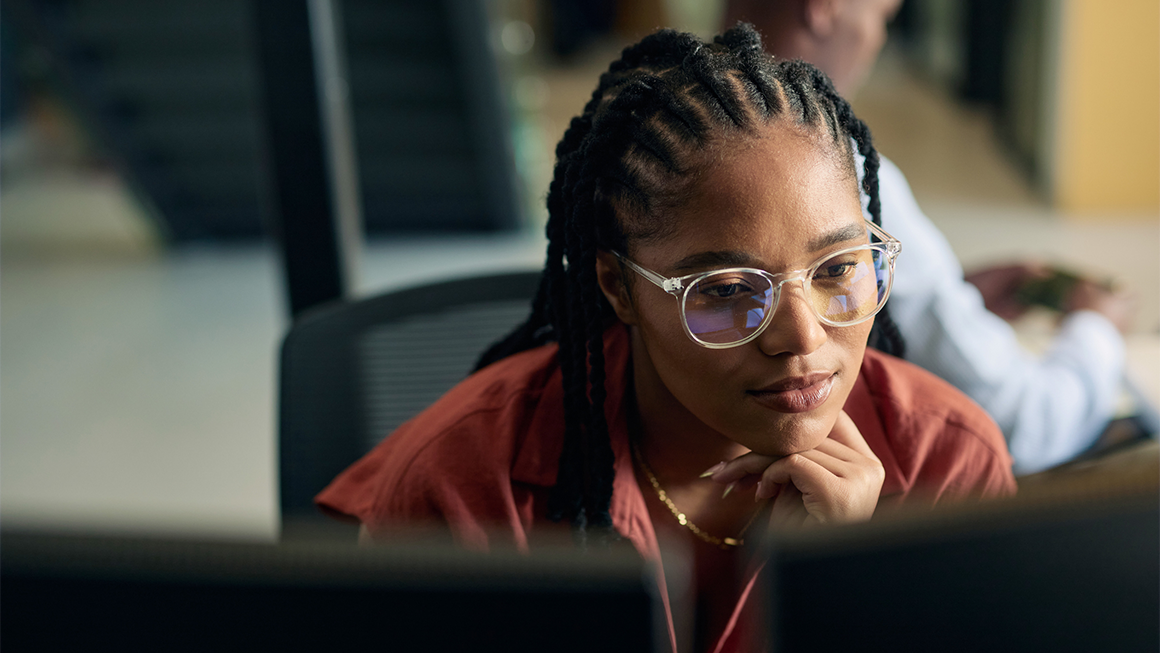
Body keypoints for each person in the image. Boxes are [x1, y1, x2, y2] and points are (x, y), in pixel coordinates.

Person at [317, 25, 1015, 653]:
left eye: (838, 269)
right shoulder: (464, 491)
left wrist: (848, 586)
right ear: (619, 288)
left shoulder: (947, 466)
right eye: (728, 290)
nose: (803, 338)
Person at [724, 0, 1135, 474]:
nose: (875, 41)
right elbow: (1022, 421)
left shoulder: (657, 136)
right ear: (826, 7)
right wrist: (1097, 330)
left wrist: (947, 298)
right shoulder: (837, 172)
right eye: (882, 17)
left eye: (838, 271)